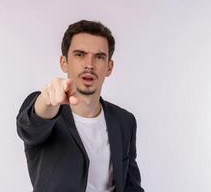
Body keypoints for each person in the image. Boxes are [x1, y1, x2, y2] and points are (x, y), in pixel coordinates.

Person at [16, 20, 144, 192]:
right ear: (64, 62)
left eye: (99, 57)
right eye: (80, 54)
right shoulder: (47, 108)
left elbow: (131, 186)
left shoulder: (124, 121)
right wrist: (46, 101)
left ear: (109, 67)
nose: (89, 64)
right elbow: (30, 127)